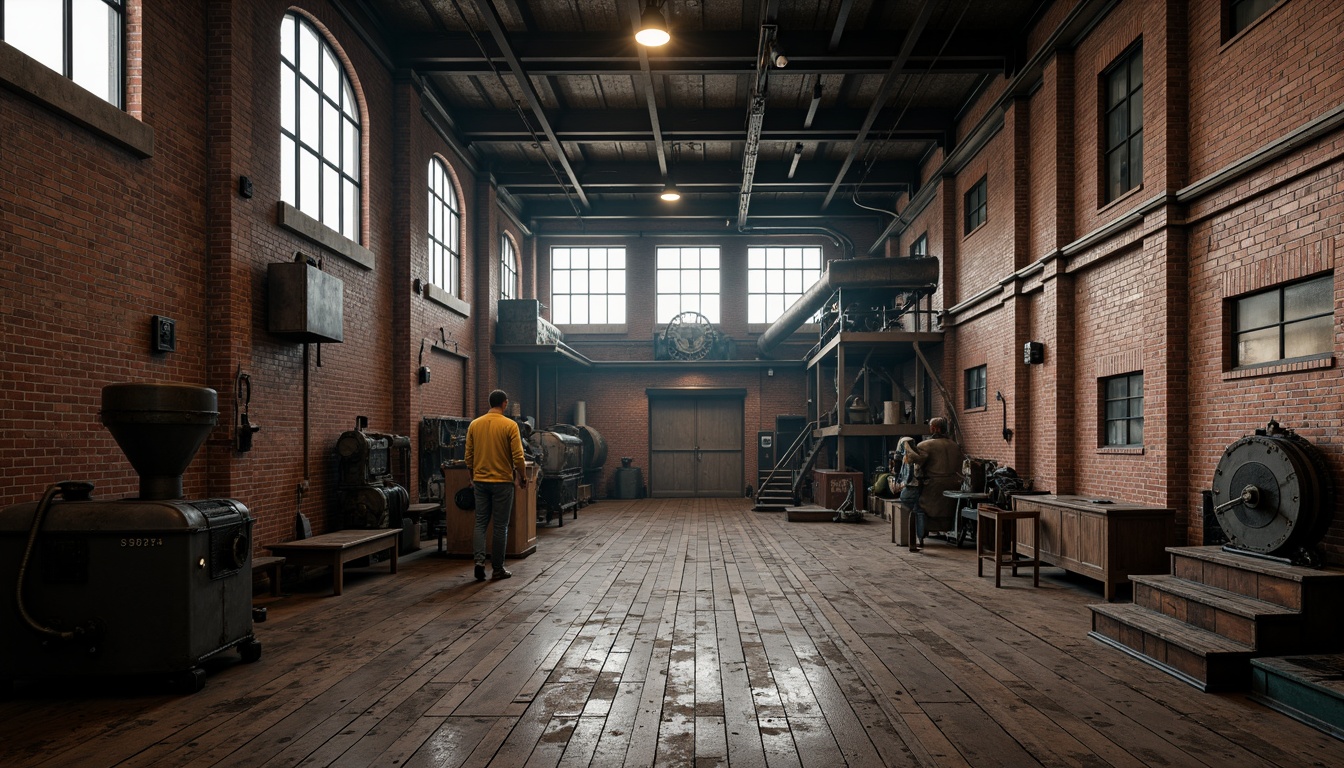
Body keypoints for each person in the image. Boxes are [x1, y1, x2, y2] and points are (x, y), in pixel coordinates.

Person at [464, 389, 527, 581]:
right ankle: (498, 568)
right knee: (500, 526)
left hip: (481, 481)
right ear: (505, 403)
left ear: (490, 403)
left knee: (480, 523)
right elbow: (518, 456)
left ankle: (479, 563)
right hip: (502, 482)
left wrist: (472, 477)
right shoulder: (510, 425)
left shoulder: (475, 424)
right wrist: (522, 476)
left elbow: (468, 456)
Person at [900, 416, 966, 552]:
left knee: (907, 498)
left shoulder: (926, 445)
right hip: (954, 487)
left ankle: (920, 534)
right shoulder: (955, 446)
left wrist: (907, 452)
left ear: (935, 428)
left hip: (932, 488)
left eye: (930, 426)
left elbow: (917, 462)